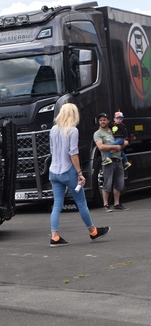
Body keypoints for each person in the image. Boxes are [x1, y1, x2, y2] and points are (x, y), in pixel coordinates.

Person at [48, 102, 110, 247]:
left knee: (57, 204)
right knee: (81, 203)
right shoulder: (73, 130)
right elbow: (73, 154)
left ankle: (54, 236)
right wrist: (80, 173)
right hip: (68, 170)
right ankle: (93, 231)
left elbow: (52, 150)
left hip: (54, 171)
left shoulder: (53, 129)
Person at [94, 112, 128, 212]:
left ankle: (117, 203)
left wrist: (120, 147)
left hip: (118, 159)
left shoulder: (114, 130)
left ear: (109, 121)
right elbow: (101, 146)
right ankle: (106, 204)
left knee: (119, 183)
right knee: (107, 183)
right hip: (108, 161)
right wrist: (114, 147)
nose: (102, 122)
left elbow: (124, 142)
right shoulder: (98, 133)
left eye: (104, 120)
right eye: (100, 120)